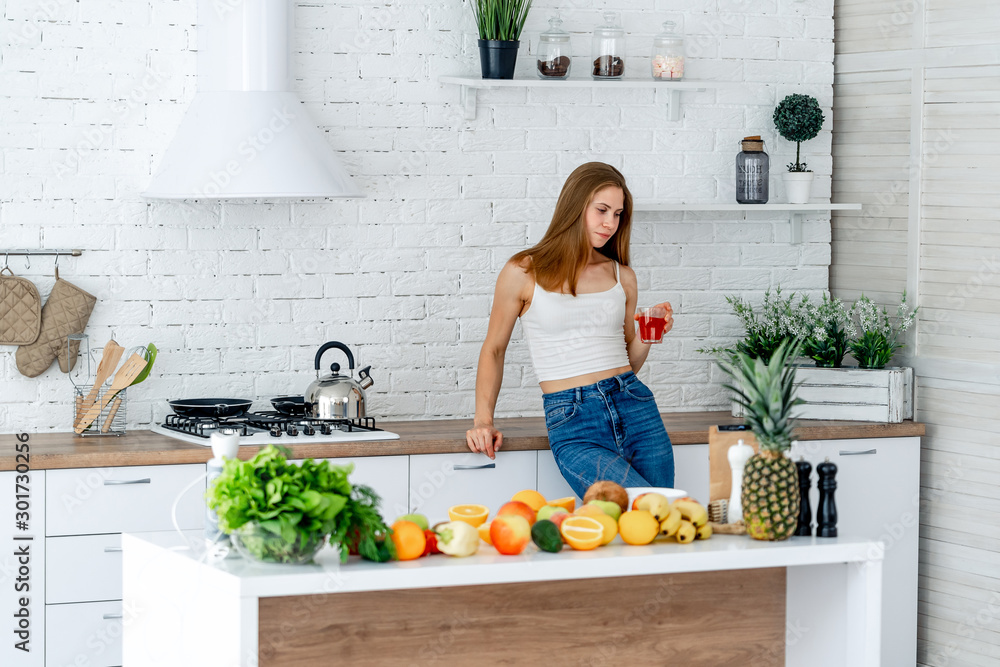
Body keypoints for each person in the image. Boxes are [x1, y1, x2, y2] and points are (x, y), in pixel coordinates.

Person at [465, 162, 676, 498]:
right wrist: (483, 421)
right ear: (576, 206)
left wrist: (650, 336)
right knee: (648, 509)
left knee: (661, 522)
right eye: (602, 210)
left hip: (636, 407)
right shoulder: (523, 271)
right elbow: (494, 349)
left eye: (618, 214)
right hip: (575, 421)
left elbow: (627, 363)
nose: (611, 223)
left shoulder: (623, 276)